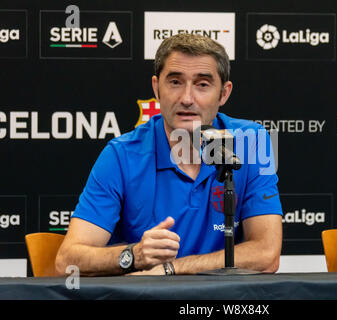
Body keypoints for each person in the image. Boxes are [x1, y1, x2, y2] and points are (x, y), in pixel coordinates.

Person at [55, 33, 283, 276]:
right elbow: (67, 262)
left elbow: (266, 255)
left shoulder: (251, 141)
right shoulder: (121, 156)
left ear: (224, 93)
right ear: (156, 88)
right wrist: (135, 254)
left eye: (202, 85)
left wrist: (170, 269)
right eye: (175, 82)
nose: (186, 99)